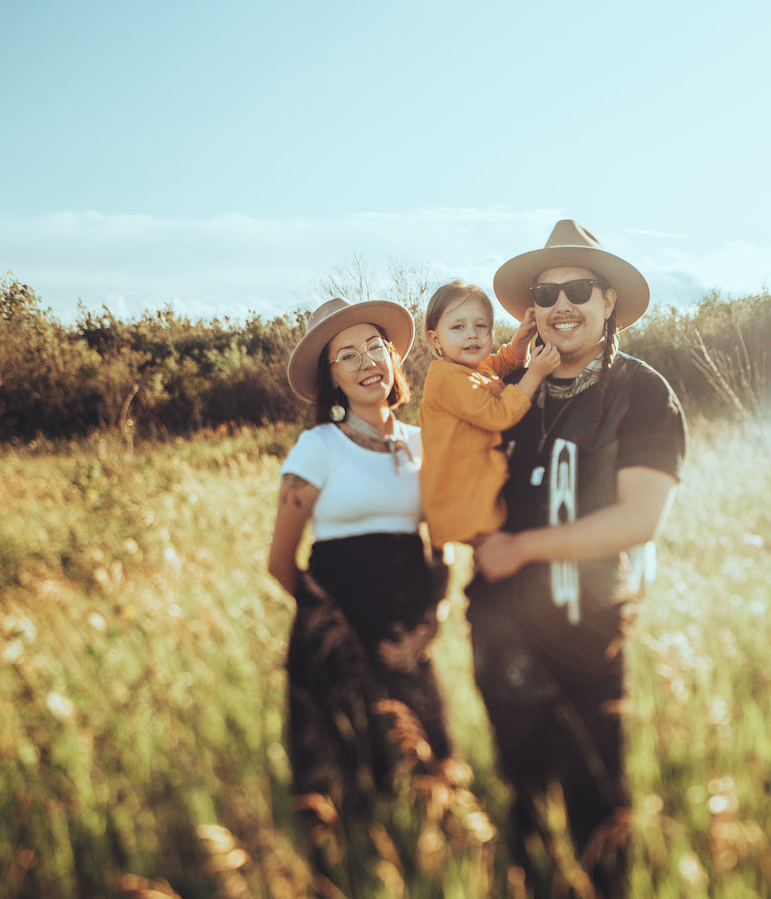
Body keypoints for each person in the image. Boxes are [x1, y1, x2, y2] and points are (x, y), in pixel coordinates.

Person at [468, 219, 688, 891]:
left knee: (599, 814)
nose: (562, 304)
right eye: (546, 293)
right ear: (532, 309)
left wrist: (523, 548)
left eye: (579, 290)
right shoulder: (502, 391)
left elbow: (640, 519)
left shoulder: (641, 393)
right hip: (501, 636)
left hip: (590, 634)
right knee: (524, 811)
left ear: (609, 300)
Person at [266, 296, 451, 826]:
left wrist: (428, 628)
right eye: (347, 355)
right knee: (345, 797)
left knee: (427, 786)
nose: (367, 362)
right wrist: (335, 632)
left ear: (392, 357)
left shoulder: (424, 443)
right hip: (335, 651)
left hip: (406, 644)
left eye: (375, 347)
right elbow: (280, 562)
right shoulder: (317, 447)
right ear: (332, 377)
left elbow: (442, 548)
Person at [418, 280, 561, 550]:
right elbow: (498, 414)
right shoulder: (447, 379)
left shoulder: (475, 368)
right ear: (435, 339)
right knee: (480, 563)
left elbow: (504, 363)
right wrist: (535, 373)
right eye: (458, 327)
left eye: (480, 326)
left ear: (491, 332)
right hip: (460, 507)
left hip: (477, 496)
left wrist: (521, 339)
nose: (471, 335)